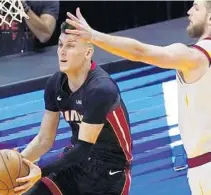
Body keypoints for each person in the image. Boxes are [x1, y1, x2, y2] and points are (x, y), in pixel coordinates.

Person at [65, 1, 211, 195]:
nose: (189, 11)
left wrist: (93, 36)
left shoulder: (197, 57)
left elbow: (140, 52)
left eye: (197, 7)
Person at [14, 21, 133, 195]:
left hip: (110, 173)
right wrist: (18, 164)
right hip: (75, 165)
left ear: (88, 52)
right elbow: (44, 140)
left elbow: (84, 148)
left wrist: (40, 171)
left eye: (70, 46)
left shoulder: (101, 89)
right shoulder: (55, 83)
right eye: (60, 45)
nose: (62, 51)